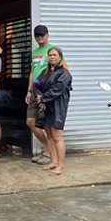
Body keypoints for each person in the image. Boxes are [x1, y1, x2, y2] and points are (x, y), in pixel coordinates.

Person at [33, 47, 72, 176]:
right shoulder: (44, 72)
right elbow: (36, 84)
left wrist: (43, 98)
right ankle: (54, 161)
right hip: (45, 107)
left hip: (58, 107)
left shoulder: (64, 73)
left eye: (55, 55)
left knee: (57, 137)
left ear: (60, 57)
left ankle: (60, 166)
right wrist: (40, 100)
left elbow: (58, 88)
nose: (52, 57)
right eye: (50, 55)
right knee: (49, 135)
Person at [26, 25, 55, 164]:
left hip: (46, 92)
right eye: (37, 35)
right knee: (30, 122)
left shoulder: (53, 50)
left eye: (42, 34)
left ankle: (49, 153)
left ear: (48, 35)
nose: (40, 37)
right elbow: (33, 71)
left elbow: (64, 69)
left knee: (47, 124)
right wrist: (29, 90)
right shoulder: (35, 52)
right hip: (35, 91)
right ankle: (48, 148)